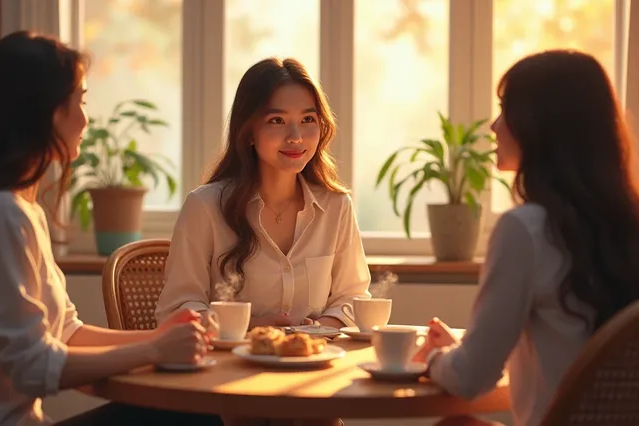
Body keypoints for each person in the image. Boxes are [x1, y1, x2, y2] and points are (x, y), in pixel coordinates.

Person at [0, 31, 222, 426]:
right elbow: (33, 366)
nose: (86, 118)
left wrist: (160, 338)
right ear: (49, 112)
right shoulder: (0, 214)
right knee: (199, 417)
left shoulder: (14, 206)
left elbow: (66, 331)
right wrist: (155, 350)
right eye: (81, 100)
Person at [414, 49, 639, 426]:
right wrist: (462, 353)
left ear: (540, 125)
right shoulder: (626, 224)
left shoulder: (525, 229)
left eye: (505, 109)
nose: (493, 126)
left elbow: (471, 380)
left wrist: (433, 359)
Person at [155, 57, 371, 426]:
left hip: (311, 385)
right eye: (277, 121)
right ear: (248, 131)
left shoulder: (337, 206)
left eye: (307, 120)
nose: (296, 137)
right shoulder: (205, 207)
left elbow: (353, 297)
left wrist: (316, 331)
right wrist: (251, 329)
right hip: (225, 389)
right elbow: (177, 309)